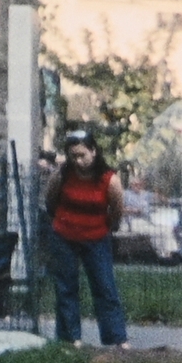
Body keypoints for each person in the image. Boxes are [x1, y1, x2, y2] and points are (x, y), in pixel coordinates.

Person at [43, 129, 128, 348]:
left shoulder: (109, 180)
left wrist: (108, 227)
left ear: (94, 151)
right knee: (66, 288)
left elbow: (117, 209)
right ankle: (70, 339)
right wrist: (63, 221)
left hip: (96, 237)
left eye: (82, 155)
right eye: (73, 156)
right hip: (64, 237)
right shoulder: (62, 175)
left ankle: (115, 338)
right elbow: (50, 201)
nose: (78, 161)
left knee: (105, 287)